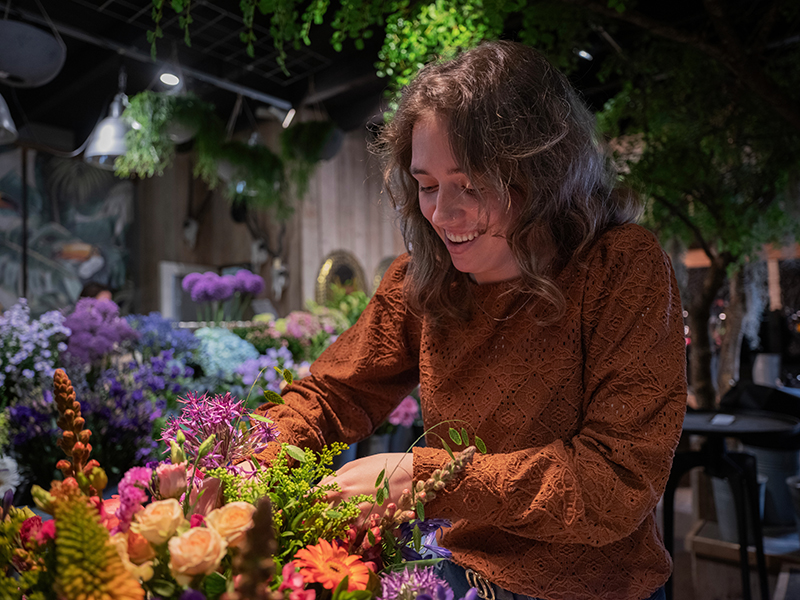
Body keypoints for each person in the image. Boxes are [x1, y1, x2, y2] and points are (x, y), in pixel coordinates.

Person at [254, 40, 686, 600]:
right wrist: (242, 463)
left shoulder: (618, 267)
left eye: (474, 184)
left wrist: (426, 481)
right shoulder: (422, 280)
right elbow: (332, 397)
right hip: (456, 579)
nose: (442, 214)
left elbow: (615, 484)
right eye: (427, 186)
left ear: (543, 172)